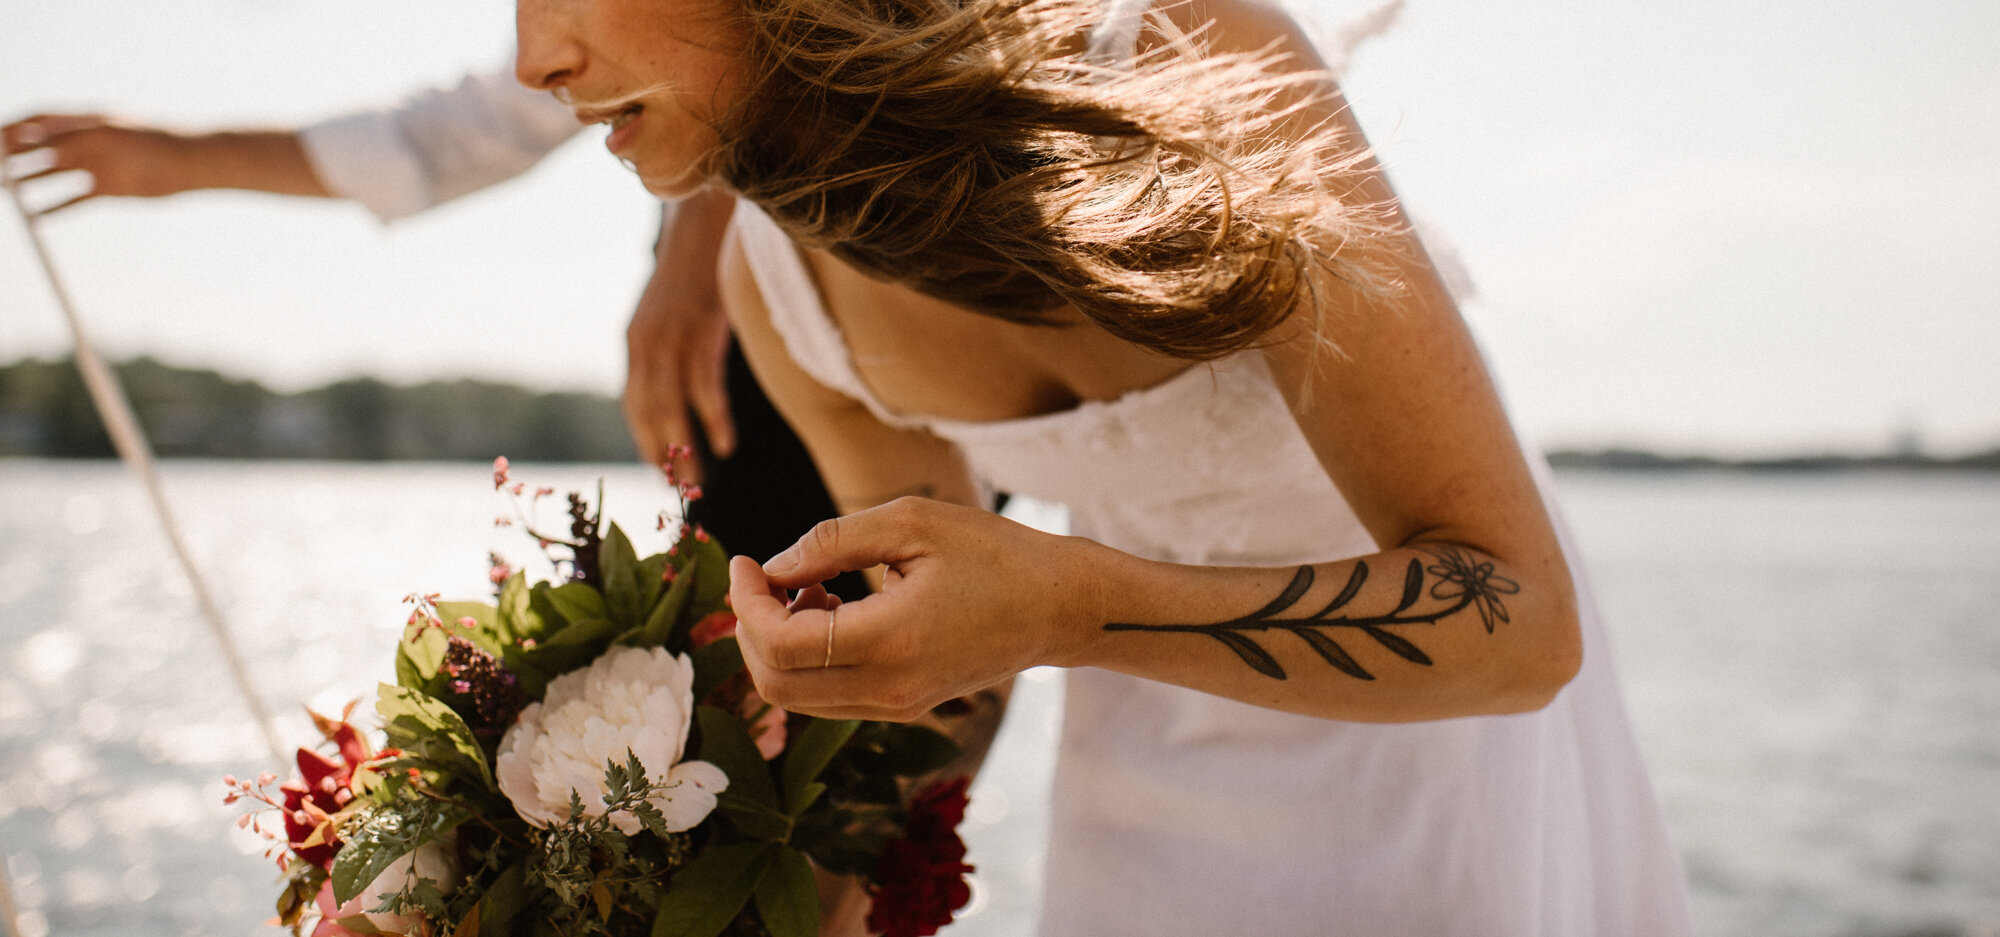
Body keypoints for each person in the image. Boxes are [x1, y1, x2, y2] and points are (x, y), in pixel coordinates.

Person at [510, 0, 1693, 933]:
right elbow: (952, 683)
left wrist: (1069, 610)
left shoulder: (1193, 65)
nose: (530, 56)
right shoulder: (777, 294)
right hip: (1140, 787)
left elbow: (1525, 627)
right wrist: (796, 883)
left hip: (1444, 751)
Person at [1, 72, 867, 600]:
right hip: (791, 318)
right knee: (816, 691)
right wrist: (180, 160)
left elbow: (771, 34)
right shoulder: (563, 52)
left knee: (864, 690)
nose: (539, 60)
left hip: (871, 241)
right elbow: (480, 123)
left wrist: (698, 236)